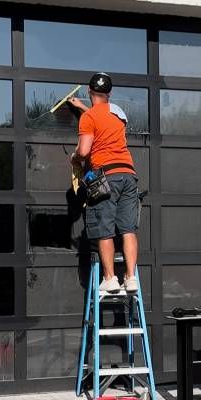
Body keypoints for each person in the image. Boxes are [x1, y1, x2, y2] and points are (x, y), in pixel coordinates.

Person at [70, 72, 139, 297]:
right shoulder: (118, 113)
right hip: (128, 174)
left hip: (105, 176)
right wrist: (82, 107)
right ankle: (130, 278)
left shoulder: (88, 118)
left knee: (104, 229)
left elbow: (84, 150)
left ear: (90, 91)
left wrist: (75, 158)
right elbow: (101, 118)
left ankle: (109, 279)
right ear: (109, 94)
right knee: (128, 230)